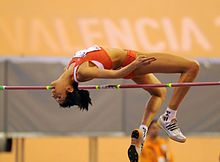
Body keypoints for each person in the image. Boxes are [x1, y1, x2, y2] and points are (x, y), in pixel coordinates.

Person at [50, 45, 200, 162]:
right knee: (192, 67)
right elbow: (116, 75)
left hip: (127, 64)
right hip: (130, 61)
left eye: (56, 98)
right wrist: (135, 63)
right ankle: (169, 117)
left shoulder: (69, 69)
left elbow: (62, 80)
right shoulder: (82, 73)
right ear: (69, 89)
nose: (53, 95)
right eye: (59, 97)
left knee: (159, 92)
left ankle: (142, 131)